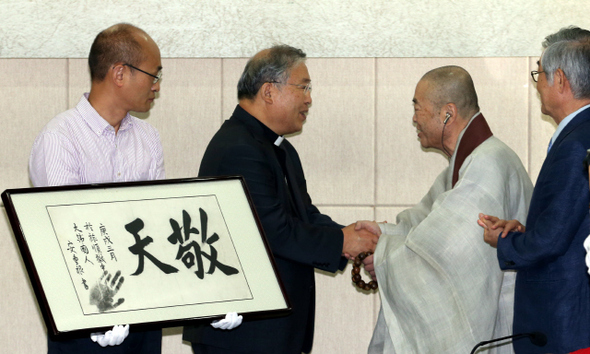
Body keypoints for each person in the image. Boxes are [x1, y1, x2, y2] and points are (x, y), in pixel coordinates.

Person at [183, 44, 379, 354]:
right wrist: (343, 242)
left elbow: (305, 217)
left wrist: (355, 235)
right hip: (241, 335)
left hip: (267, 333)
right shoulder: (240, 148)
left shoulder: (278, 147)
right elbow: (273, 232)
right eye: (303, 87)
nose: (309, 98)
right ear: (269, 91)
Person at [360, 66, 533, 353]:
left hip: (505, 321)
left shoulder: (488, 163)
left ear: (448, 113)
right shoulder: (469, 161)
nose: (414, 118)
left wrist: (384, 256)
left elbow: (451, 249)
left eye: (418, 108)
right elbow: (426, 220)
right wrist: (381, 233)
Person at [478, 29, 590, 353]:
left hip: (565, 327)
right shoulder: (578, 135)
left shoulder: (576, 145)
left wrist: (503, 241)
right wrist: (526, 231)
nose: (536, 83)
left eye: (538, 73)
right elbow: (570, 226)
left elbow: (552, 241)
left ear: (559, 80)